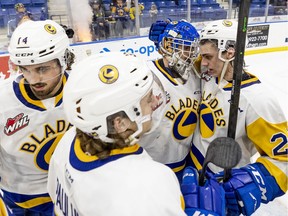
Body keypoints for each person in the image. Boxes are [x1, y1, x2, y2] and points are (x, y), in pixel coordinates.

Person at [47, 52, 187, 216]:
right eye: (148, 100)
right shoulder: (149, 183)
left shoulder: (70, 140)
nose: (155, 102)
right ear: (120, 123)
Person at [186, 19, 288, 215]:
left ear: (229, 53)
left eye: (208, 56)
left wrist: (251, 183)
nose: (203, 63)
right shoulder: (209, 74)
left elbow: (283, 158)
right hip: (192, 175)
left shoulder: (258, 99)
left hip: (222, 191)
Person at [0, 19, 75, 215]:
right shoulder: (2, 100)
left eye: (42, 69)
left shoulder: (83, 90)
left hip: (75, 193)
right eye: (25, 69)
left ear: (64, 60)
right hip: (20, 203)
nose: (33, 80)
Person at [138, 20, 201, 183]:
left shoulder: (196, 74)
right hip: (150, 168)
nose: (191, 54)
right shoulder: (146, 77)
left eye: (192, 48)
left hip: (184, 164)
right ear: (168, 45)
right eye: (185, 47)